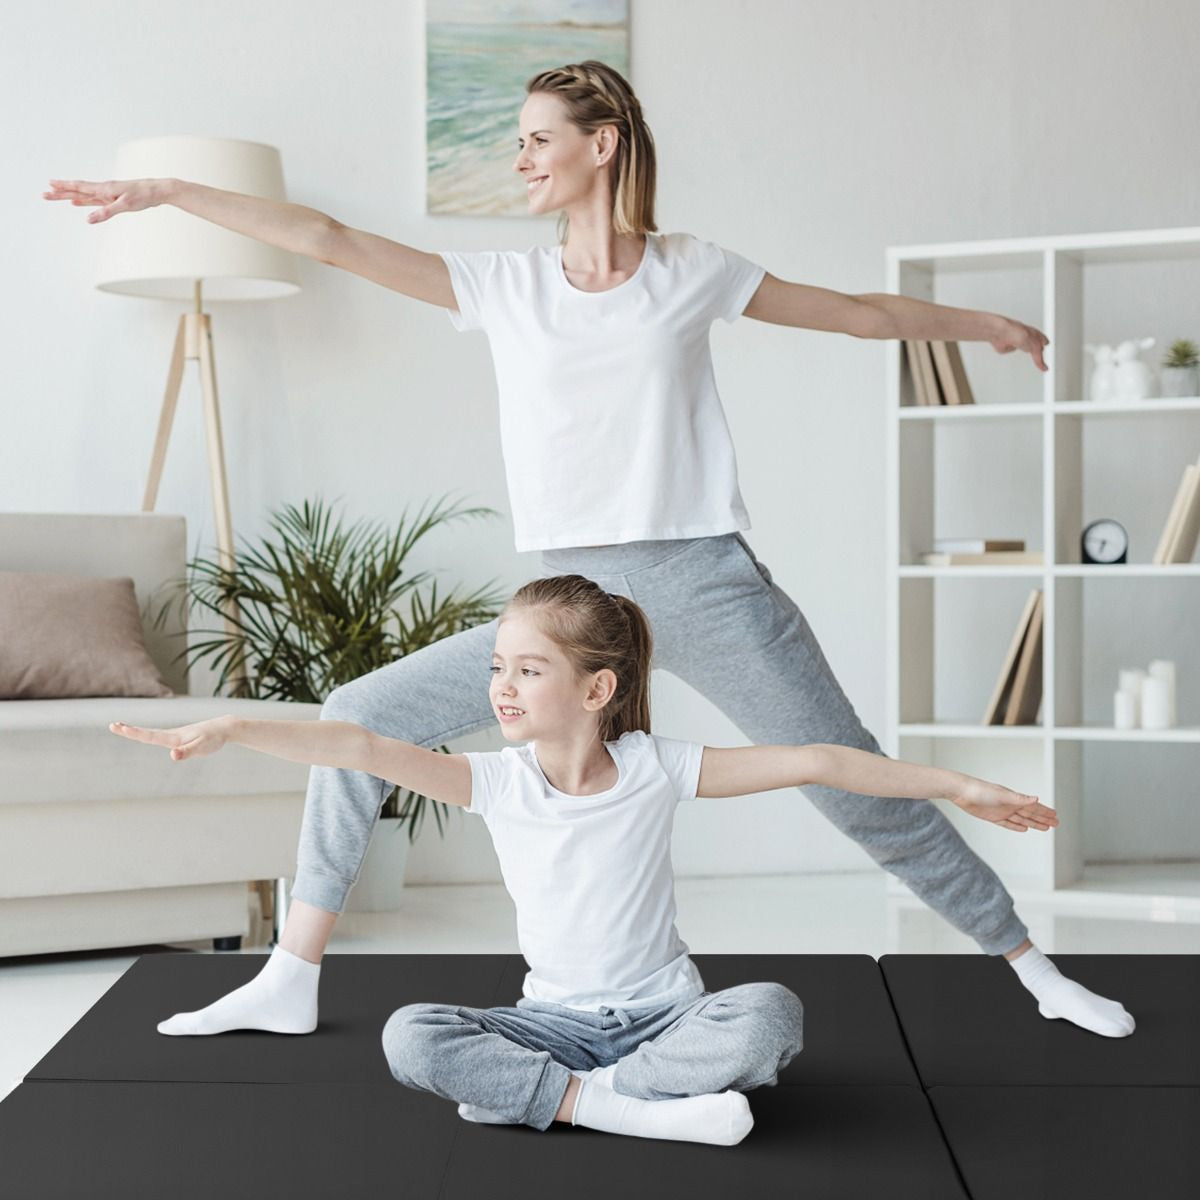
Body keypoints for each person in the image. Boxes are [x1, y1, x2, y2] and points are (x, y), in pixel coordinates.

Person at [48, 59, 1134, 1042]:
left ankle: (1032, 966)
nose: (518, 158)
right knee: (357, 717)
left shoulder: (691, 269)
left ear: (600, 142)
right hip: (566, 603)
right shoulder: (502, 287)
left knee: (854, 787)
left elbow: (849, 313)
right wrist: (173, 192)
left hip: (703, 578)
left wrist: (983, 327)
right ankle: (292, 973)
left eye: (535, 139)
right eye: (516, 140)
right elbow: (331, 239)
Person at [112, 574, 1062, 1145]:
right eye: (497, 668)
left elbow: (819, 759)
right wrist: (233, 725)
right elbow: (356, 745)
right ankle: (620, 1108)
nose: (503, 687)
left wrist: (960, 787)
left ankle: (571, 1103)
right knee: (411, 1035)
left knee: (770, 1015)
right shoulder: (496, 782)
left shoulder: (657, 769)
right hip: (552, 1026)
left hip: (665, 1016)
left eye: (528, 669)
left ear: (597, 687)